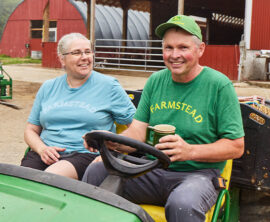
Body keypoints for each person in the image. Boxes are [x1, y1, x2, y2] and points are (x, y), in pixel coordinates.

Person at [82, 15, 245, 222]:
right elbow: (138, 133)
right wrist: (110, 141)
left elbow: (236, 146)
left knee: (182, 204)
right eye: (168, 48)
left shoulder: (219, 86)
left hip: (198, 175)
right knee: (96, 172)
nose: (174, 55)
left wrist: (190, 151)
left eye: (183, 47)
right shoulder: (156, 81)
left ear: (200, 49)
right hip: (151, 170)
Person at [21, 33, 136, 180]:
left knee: (49, 178)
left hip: (87, 154)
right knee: (19, 184)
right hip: (45, 153)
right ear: (62, 59)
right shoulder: (48, 87)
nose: (84, 57)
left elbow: (137, 129)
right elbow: (30, 130)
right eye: (76, 53)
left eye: (88, 52)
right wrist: (42, 149)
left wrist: (113, 147)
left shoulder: (109, 86)